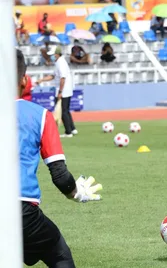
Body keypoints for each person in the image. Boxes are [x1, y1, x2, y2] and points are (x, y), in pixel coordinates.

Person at [16, 49, 103, 268]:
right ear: (24, 80)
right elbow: (60, 175)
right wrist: (76, 193)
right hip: (21, 211)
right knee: (59, 255)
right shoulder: (40, 116)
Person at [36, 46, 78, 137]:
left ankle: (68, 132)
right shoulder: (59, 62)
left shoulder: (61, 63)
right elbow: (53, 76)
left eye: (52, 54)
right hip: (65, 90)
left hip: (64, 90)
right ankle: (72, 129)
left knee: (63, 111)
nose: (52, 56)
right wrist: (41, 80)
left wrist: (60, 92)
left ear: (57, 54)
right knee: (66, 110)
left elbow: (63, 78)